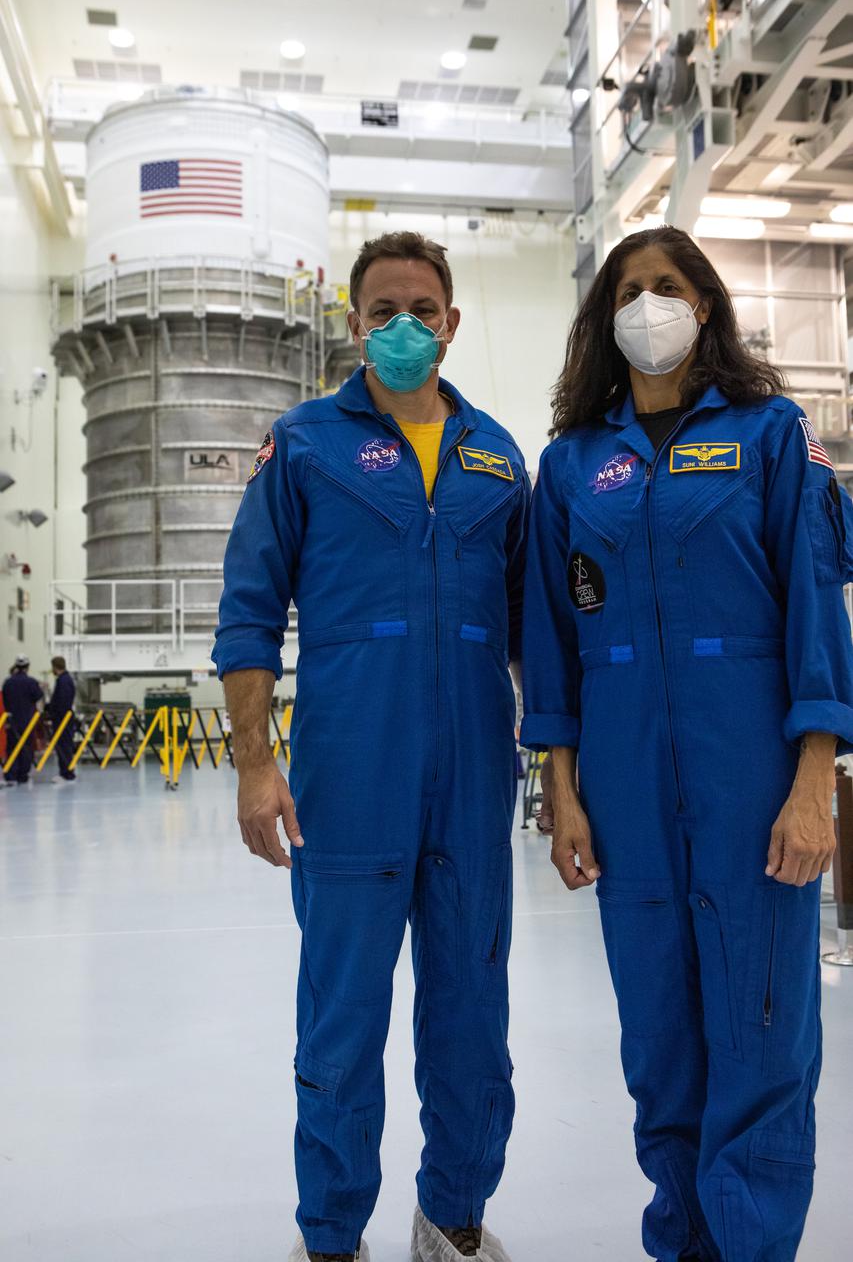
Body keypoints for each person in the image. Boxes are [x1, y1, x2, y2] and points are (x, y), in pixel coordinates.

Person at [521, 225, 853, 1262]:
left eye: (668, 286)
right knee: (662, 1051)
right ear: (603, 316)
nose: (649, 305)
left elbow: (812, 612)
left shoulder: (769, 436)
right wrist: (560, 787)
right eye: (630, 289)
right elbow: (551, 638)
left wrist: (814, 780)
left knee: (759, 1046)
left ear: (704, 305)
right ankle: (685, 1245)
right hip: (622, 786)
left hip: (749, 775)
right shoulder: (573, 465)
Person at [213, 232, 528, 1262]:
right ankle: (331, 1236)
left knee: (472, 1022)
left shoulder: (496, 455)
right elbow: (249, 614)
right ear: (353, 324)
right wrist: (257, 761)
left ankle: (454, 1220)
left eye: (422, 308)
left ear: (452, 322)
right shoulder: (303, 443)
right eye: (382, 308)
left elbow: (542, 636)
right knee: (341, 1023)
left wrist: (566, 771)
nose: (404, 325)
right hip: (351, 773)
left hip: (476, 781)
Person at [2, 655, 43, 786]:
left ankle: (11, 774)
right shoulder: (31, 682)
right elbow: (38, 698)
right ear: (27, 667)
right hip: (27, 720)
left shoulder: (8, 682)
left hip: (12, 720)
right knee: (26, 747)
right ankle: (23, 775)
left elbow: (5, 700)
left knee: (12, 747)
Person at [46, 656, 77, 784]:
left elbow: (62, 702)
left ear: (55, 667)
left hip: (62, 719)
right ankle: (66, 772)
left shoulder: (63, 681)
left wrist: (51, 711)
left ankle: (66, 773)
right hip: (64, 718)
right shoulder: (66, 679)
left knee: (63, 746)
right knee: (65, 746)